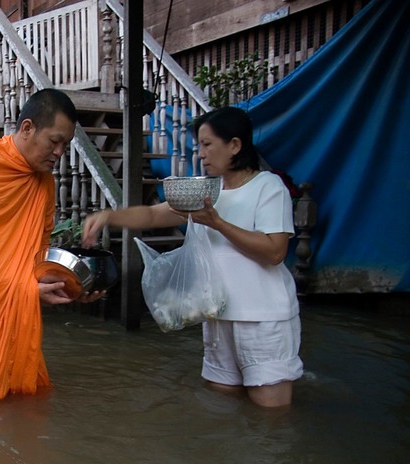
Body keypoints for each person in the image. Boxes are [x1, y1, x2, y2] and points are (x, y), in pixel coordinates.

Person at [82, 106, 303, 408]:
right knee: (221, 406)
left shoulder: (268, 187)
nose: (200, 153)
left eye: (207, 144)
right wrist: (108, 216)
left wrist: (217, 222)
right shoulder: (206, 191)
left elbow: (275, 251)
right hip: (216, 315)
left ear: (235, 145)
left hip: (262, 319)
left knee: (271, 415)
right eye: (199, 145)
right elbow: (150, 215)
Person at [0, 88, 103, 409]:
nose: (59, 152)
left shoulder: (43, 182)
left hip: (17, 314)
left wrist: (69, 284)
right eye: (54, 141)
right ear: (28, 128)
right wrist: (25, 287)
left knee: (25, 403)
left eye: (66, 145)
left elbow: (35, 251)